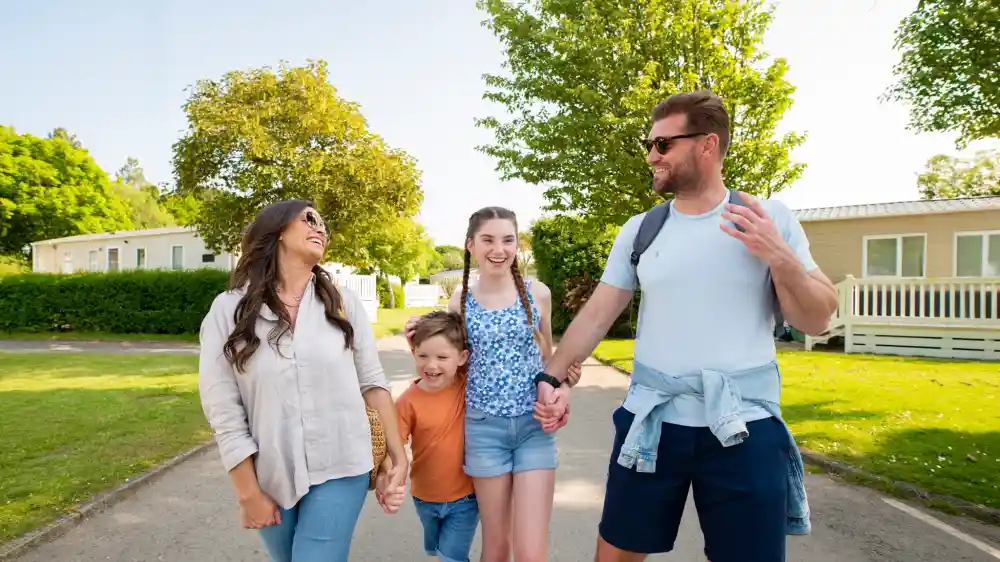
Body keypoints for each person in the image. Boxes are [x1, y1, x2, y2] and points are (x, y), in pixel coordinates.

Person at [533, 91, 838, 562]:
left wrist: (779, 256)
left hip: (744, 425)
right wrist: (551, 376)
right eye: (649, 144)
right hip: (651, 421)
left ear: (707, 145)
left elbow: (816, 318)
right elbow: (597, 313)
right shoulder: (641, 230)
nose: (651, 156)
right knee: (614, 555)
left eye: (662, 144)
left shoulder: (768, 218)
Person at [198, 199, 408, 562]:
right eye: (309, 219)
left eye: (323, 224)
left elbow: (372, 382)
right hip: (271, 472)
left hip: (343, 463)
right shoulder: (227, 311)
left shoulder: (343, 303)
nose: (320, 227)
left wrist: (397, 455)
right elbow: (223, 410)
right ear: (278, 231)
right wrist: (248, 493)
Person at [405, 206, 581, 562]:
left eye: (507, 240)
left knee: (531, 553)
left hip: (534, 429)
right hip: (484, 431)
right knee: (496, 547)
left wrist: (563, 389)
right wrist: (418, 340)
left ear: (517, 244)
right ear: (471, 245)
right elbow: (448, 361)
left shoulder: (538, 293)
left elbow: (552, 363)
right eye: (488, 239)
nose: (498, 249)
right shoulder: (460, 301)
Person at [375, 310, 480, 562]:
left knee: (451, 556)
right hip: (424, 497)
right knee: (435, 549)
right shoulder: (408, 402)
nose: (431, 365)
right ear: (413, 353)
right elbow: (394, 445)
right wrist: (388, 479)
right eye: (422, 356)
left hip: (465, 498)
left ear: (462, 357)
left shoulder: (467, 384)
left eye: (442, 357)